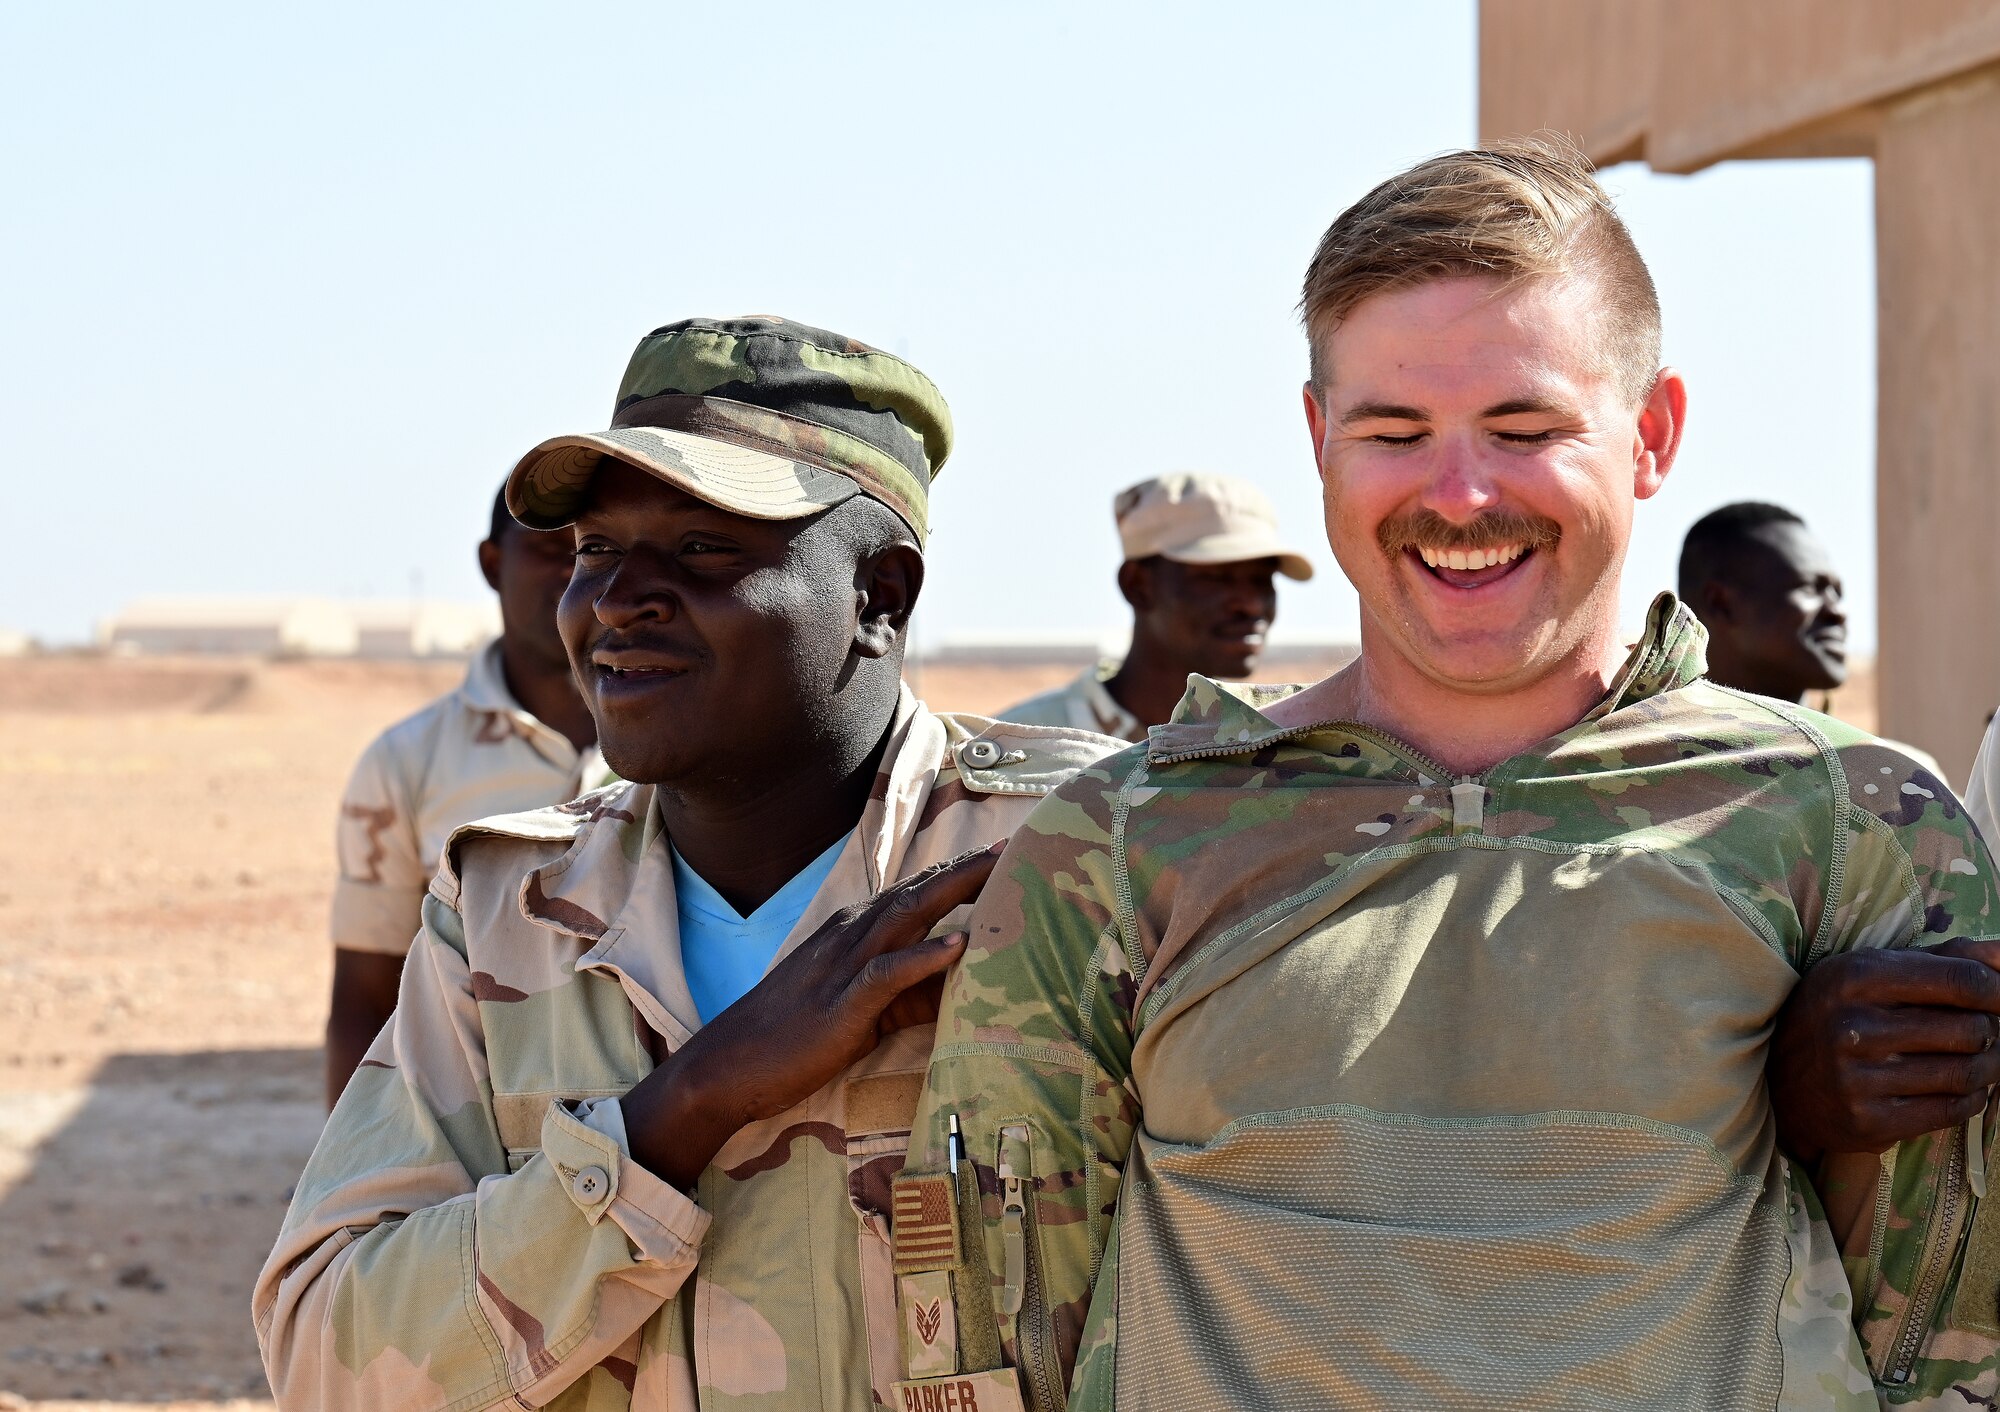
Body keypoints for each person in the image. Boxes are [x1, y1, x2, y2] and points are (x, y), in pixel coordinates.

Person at [896, 140, 2000, 1410]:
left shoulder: (1856, 826)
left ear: (1650, 434)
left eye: (1523, 427)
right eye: (1394, 430)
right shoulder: (1119, 840)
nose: (1458, 493)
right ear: (1319, 438)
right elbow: (983, 1333)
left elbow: (1945, 1337)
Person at [255, 316, 1118, 1411]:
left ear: (878, 595)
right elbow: (327, 1358)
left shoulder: (1079, 859)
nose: (616, 599)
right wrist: (679, 1110)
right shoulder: (506, 912)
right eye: (595, 551)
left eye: (704, 548)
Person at [324, 487, 611, 1105]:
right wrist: (346, 1176)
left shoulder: (686, 747)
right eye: (546, 548)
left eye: (593, 549)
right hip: (475, 1142)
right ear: (491, 564)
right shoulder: (408, 761)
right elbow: (366, 995)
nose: (571, 572)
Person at [997, 472, 1312, 741]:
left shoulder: (1275, 746)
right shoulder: (1027, 745)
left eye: (1262, 580)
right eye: (1217, 577)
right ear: (1137, 585)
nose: (1251, 603)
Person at [1681, 500, 1947, 782]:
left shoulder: (1901, 777)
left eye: (1837, 593)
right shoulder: (1654, 764)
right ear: (1721, 603)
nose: (1837, 612)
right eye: (1810, 588)